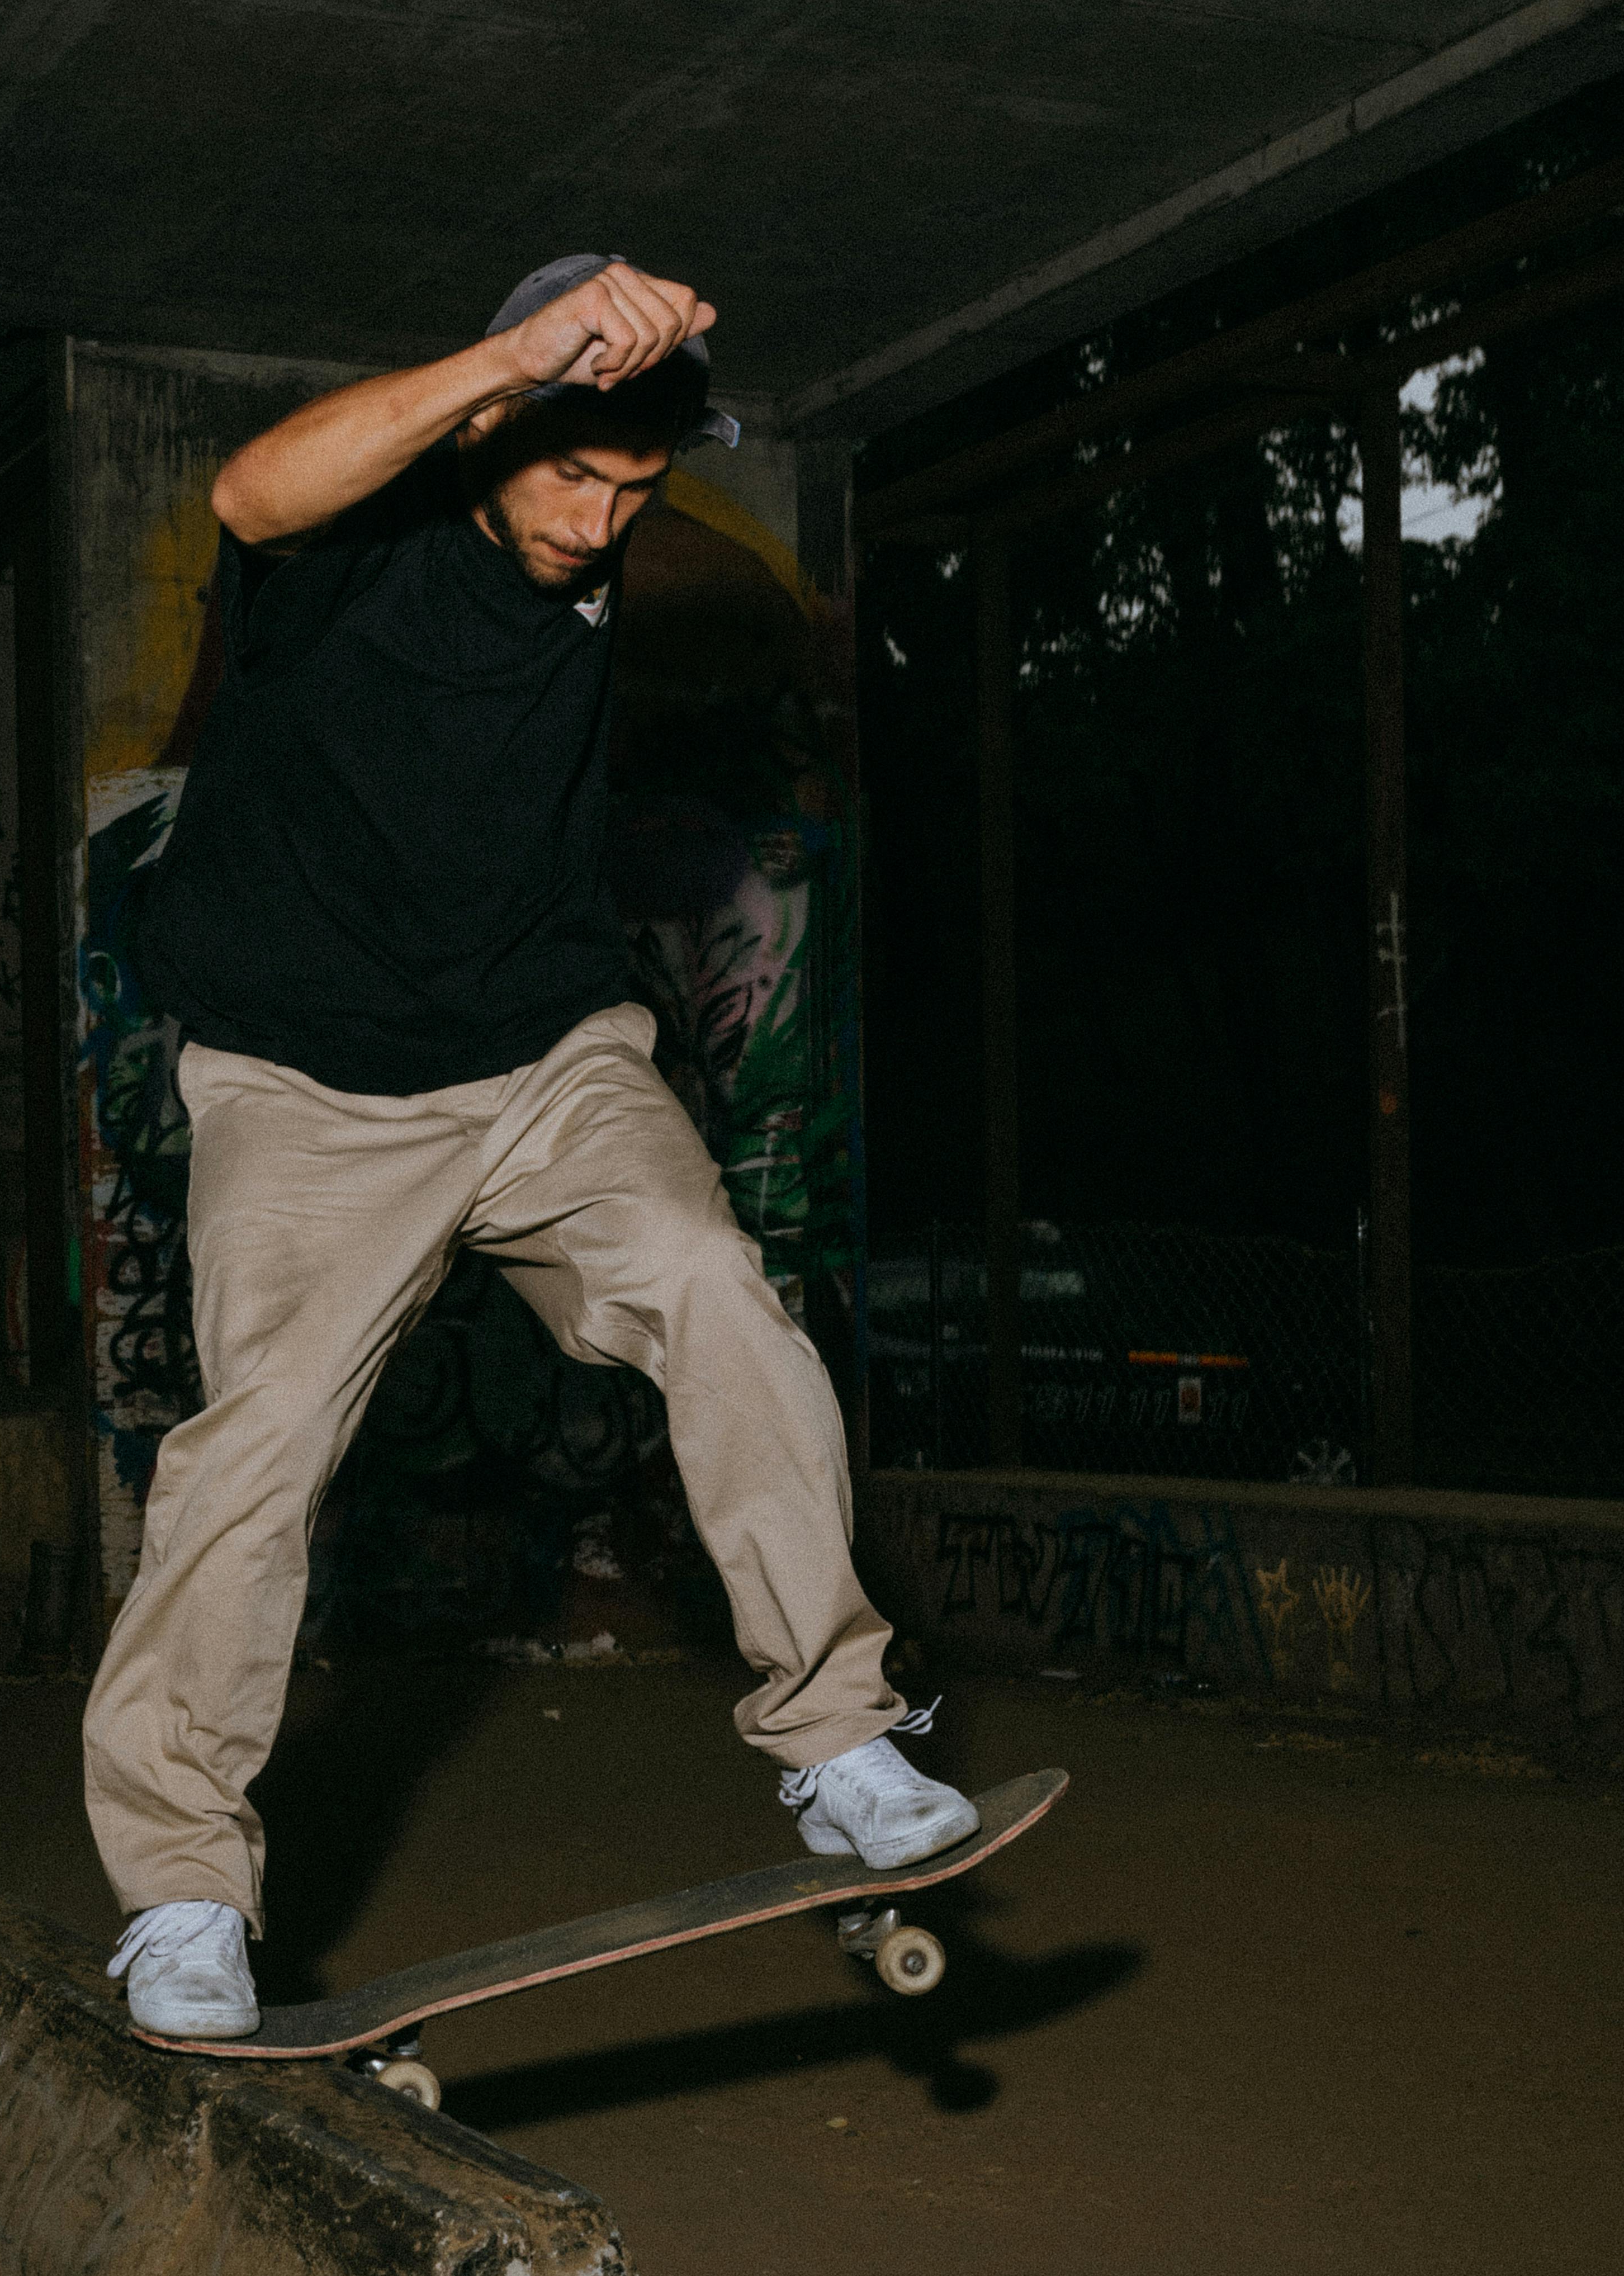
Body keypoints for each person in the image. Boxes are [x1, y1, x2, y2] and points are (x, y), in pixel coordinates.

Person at [86, 250, 978, 2043]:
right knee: (252, 1454)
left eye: (633, 493)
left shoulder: (615, 539)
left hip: (548, 1057)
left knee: (721, 1288)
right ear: (490, 429)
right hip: (312, 1083)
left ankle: (838, 1740)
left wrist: (651, 421)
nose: (598, 526)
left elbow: (720, 584)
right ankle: (183, 1893)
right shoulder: (346, 552)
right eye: (571, 477)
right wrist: (512, 361)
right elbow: (252, 489)